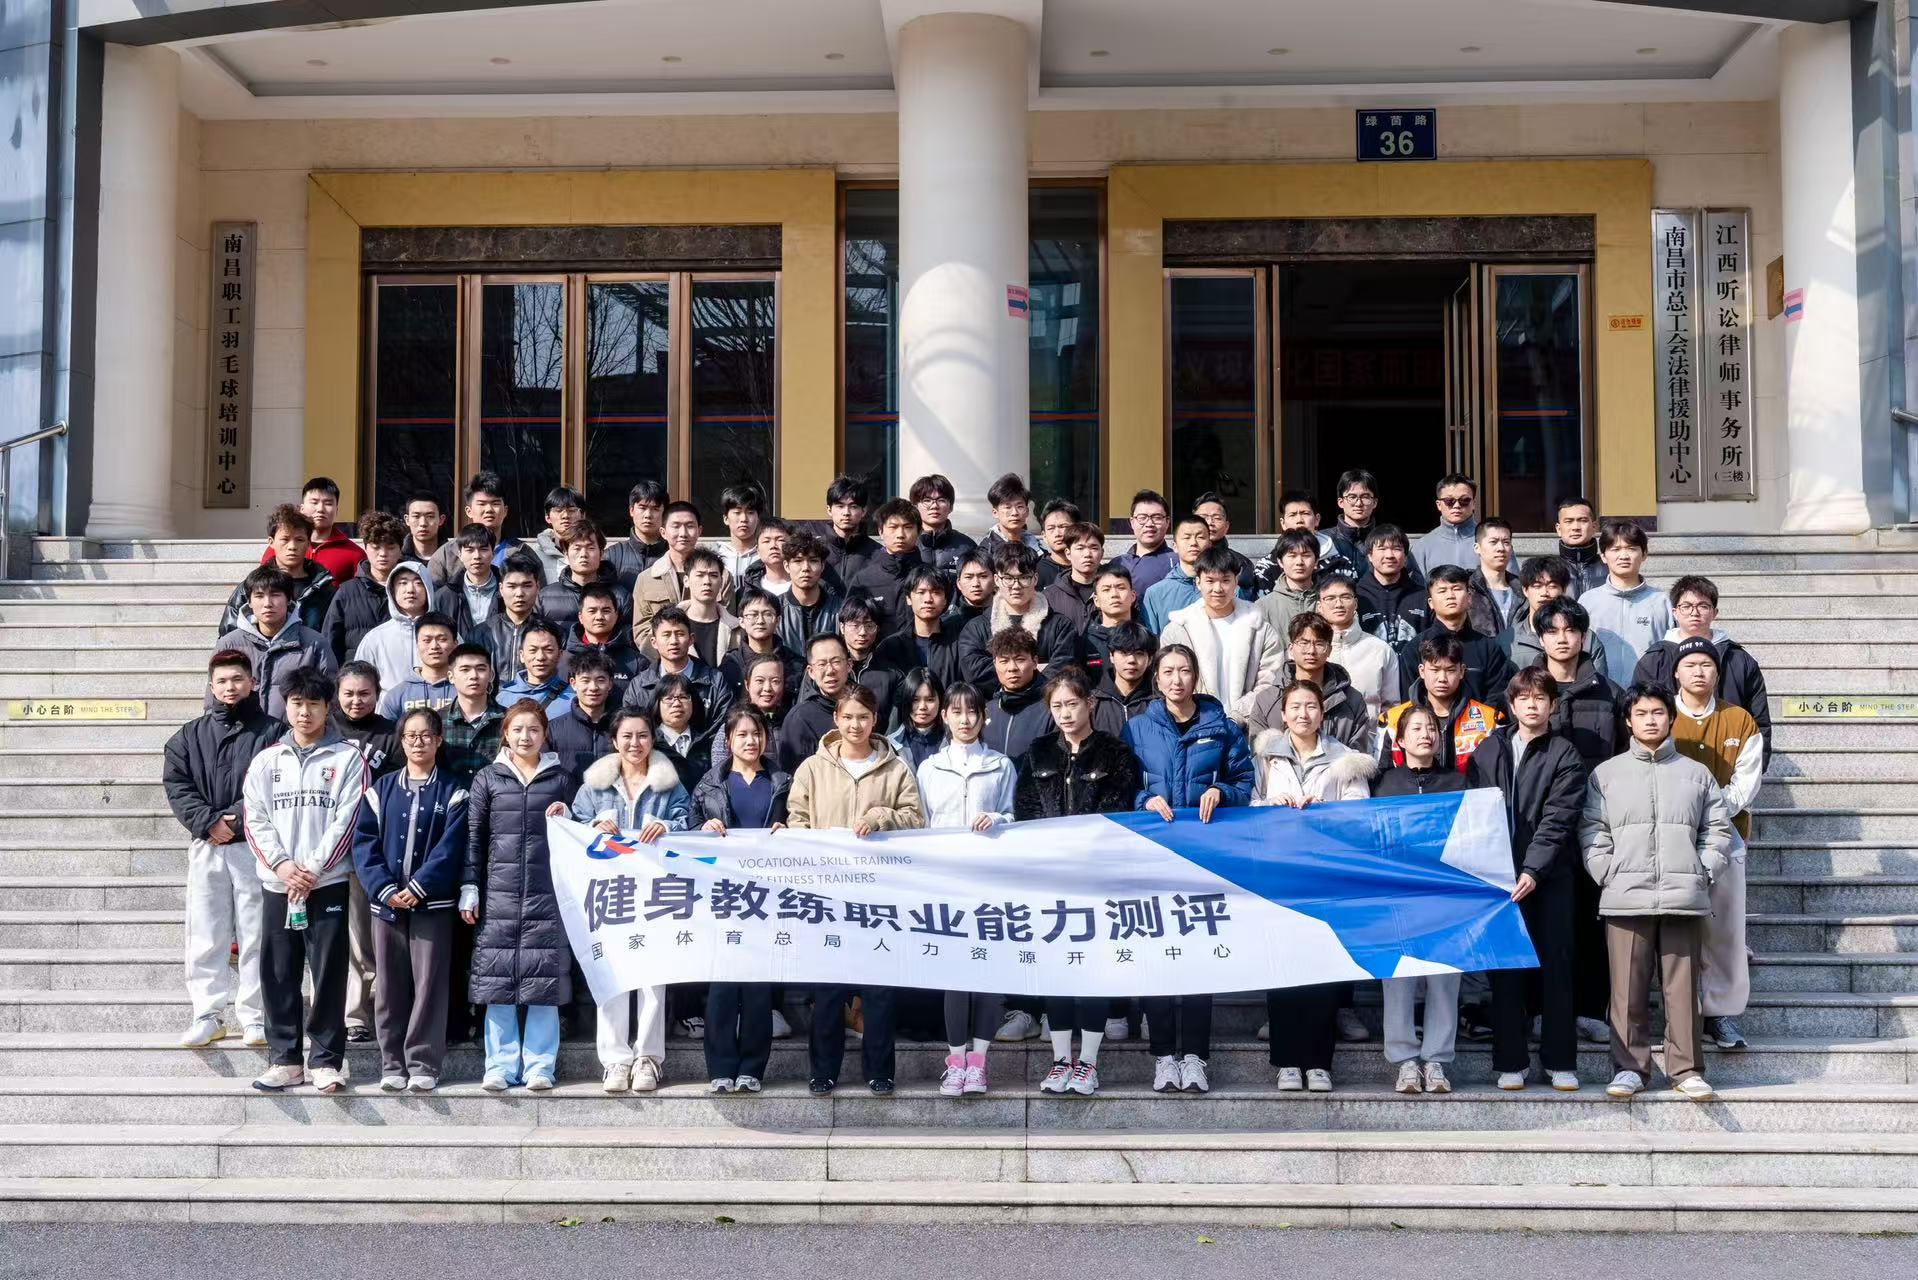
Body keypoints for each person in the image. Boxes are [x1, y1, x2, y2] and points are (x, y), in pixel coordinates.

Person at [1581, 683, 1734, 1101]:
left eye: (1658, 713)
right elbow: (1592, 831)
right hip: (1625, 895)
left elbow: (1718, 831)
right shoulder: (1606, 774)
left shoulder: (1696, 774)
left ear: (1671, 718)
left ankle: (1686, 1070)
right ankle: (1630, 1068)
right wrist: (1607, 872)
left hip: (1683, 895)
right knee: (1626, 990)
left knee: (1682, 991)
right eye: (1641, 713)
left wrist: (1703, 870)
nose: (1650, 720)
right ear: (1628, 721)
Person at [1127, 645, 1256, 1095]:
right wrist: (1145, 800)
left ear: (1196, 676)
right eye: (1168, 671)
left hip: (1205, 857)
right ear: (1157, 679)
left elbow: (1245, 781)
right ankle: (1164, 1056)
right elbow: (1124, 785)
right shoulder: (1138, 728)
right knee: (1158, 955)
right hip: (1153, 856)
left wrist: (1222, 791)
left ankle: (1196, 1057)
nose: (1177, 679)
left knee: (1199, 958)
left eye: (1184, 671)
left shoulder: (1221, 727)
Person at [787, 683, 925, 1096]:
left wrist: (881, 816)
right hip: (827, 894)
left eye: (863, 717)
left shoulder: (895, 768)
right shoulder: (813, 768)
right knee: (828, 989)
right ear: (836, 719)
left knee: (878, 988)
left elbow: (915, 818)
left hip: (878, 896)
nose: (855, 725)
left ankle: (880, 1070)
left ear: (875, 720)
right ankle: (823, 1070)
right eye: (848, 717)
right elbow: (797, 819)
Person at [1006, 667, 1144, 1077]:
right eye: (1057, 706)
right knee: (1057, 972)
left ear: (1090, 703)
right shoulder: (1037, 752)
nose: (1065, 713)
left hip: (1096, 881)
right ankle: (1061, 1059)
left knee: (1093, 971)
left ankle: (1089, 1062)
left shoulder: (1115, 753)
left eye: (1072, 704)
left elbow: (1116, 813)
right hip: (1050, 880)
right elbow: (1026, 811)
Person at [242, 670, 370, 1093]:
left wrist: (313, 869)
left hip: (327, 882)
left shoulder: (348, 758)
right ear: (286, 706)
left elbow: (348, 819)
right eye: (297, 703)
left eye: (313, 704)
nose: (304, 712)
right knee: (278, 971)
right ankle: (285, 1059)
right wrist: (282, 867)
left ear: (327, 707)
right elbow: (255, 818)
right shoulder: (267, 761)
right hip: (279, 884)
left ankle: (327, 1060)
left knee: (329, 971)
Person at [1250, 678, 1376, 1093]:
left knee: (1324, 968)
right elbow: (1247, 803)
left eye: (1311, 707)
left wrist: (1326, 811)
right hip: (1280, 874)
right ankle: (1287, 1061)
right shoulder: (1265, 756)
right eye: (1295, 707)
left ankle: (1319, 1062)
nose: (1303, 714)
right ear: (1283, 715)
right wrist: (1271, 805)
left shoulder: (1344, 759)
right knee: (1282, 967)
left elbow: (1359, 810)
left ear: (1323, 714)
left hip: (1326, 874)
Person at [1466, 669, 1587, 1092]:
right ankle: (1510, 1061)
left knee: (1557, 967)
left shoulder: (1564, 753)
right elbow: (1475, 812)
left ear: (1553, 705)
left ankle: (1560, 1061)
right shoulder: (1488, 750)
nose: (1532, 705)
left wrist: (1534, 869)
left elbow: (1559, 819)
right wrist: (1493, 869)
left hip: (1551, 877)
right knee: (1507, 970)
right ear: (1511, 704)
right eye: (1524, 698)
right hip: (1500, 878)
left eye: (1540, 698)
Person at [165, 650, 285, 1049]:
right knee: (205, 932)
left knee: (257, 934)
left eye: (237, 679)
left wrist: (232, 820)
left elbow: (276, 783)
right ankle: (206, 1014)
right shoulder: (188, 736)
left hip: (255, 845)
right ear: (211, 686)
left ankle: (255, 1016)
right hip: (206, 845)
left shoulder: (275, 733)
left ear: (253, 683)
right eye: (222, 681)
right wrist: (206, 822)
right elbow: (177, 785)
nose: (230, 687)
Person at [571, 708, 692, 1093]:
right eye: (627, 736)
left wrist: (668, 826)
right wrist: (593, 826)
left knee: (653, 977)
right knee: (613, 975)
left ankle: (647, 1059)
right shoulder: (594, 786)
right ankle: (615, 1060)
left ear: (652, 740)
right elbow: (574, 826)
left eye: (642, 735)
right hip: (611, 894)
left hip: (656, 894)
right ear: (614, 740)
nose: (635, 743)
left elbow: (688, 822)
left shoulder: (669, 784)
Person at [460, 699, 576, 1092]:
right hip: (499, 894)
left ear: (545, 734)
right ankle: (499, 1065)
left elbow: (581, 832)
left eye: (534, 729)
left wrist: (569, 817)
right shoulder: (488, 778)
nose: (525, 737)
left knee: (544, 979)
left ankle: (541, 1065)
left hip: (548, 893)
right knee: (498, 979)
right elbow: (474, 837)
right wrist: (470, 887)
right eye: (518, 729)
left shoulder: (561, 779)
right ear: (505, 733)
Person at [350, 707, 467, 1093]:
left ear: (438, 740)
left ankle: (423, 1063)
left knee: (430, 983)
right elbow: (364, 844)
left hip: (432, 906)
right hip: (387, 906)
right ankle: (392, 1063)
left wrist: (419, 887)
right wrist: (384, 888)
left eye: (426, 735)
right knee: (389, 983)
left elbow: (451, 848)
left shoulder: (454, 790)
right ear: (401, 741)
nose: (418, 742)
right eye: (411, 736)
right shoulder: (380, 789)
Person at [916, 681, 1018, 1096]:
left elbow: (1014, 815)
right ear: (944, 716)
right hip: (946, 884)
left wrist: (997, 819)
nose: (965, 719)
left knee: (988, 972)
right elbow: (922, 825)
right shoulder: (929, 768)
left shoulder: (1001, 765)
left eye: (972, 711)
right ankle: (956, 1061)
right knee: (955, 975)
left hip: (990, 883)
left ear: (984, 717)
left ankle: (979, 1063)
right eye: (956, 712)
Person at [1530, 597, 1621, 1045]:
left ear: (1584, 637)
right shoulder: (1526, 690)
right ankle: (1538, 1010)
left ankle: (1589, 1009)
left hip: (1593, 823)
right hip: (1540, 823)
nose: (1562, 639)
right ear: (1540, 637)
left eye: (1571, 630)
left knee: (1591, 918)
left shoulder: (1609, 693)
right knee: (1539, 921)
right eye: (1553, 631)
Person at [1666, 636, 1763, 1052]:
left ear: (1718, 672)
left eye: (1706, 665)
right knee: (1672, 927)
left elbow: (1747, 781)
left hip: (1727, 835)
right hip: (1669, 834)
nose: (1699, 672)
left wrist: (1710, 808)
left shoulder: (1739, 719)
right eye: (1690, 665)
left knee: (1723, 928)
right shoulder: (1660, 713)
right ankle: (1674, 1013)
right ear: (1676, 673)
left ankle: (1719, 1013)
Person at [692, 706, 792, 1091]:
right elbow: (687, 828)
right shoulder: (710, 784)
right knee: (722, 987)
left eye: (757, 734)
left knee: (757, 988)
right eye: (742, 735)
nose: (751, 741)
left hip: (767, 898)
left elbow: (802, 822)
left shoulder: (782, 781)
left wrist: (790, 829)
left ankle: (752, 1068)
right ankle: (720, 1068)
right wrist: (703, 828)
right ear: (729, 740)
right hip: (722, 896)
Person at [1372, 705, 1467, 1093]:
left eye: (1431, 728)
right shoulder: (1383, 784)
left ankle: (1438, 1060)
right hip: (1397, 895)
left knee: (1444, 979)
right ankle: (1405, 1061)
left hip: (1445, 896)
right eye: (1416, 728)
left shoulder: (1458, 782)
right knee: (1398, 978)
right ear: (1400, 739)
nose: (1426, 734)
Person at [1632, 575, 1773, 768]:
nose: (1694, 612)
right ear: (1675, 612)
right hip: (1668, 766)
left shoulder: (1739, 659)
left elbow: (1759, 720)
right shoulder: (1654, 660)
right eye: (1686, 606)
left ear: (1715, 613)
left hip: (1729, 764)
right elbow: (1638, 715)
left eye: (1703, 606)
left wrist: (1754, 768)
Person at [331, 659, 399, 1044]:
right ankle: (339, 1010)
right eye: (349, 694)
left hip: (368, 848)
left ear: (377, 694)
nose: (356, 701)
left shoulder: (391, 735)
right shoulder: (325, 730)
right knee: (332, 937)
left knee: (363, 938)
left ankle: (361, 1012)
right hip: (325, 849)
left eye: (364, 694)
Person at [1159, 543, 1283, 725]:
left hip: (1248, 726)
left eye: (1225, 580)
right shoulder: (1178, 630)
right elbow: (1171, 680)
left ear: (1236, 581)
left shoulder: (1260, 628)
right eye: (1210, 581)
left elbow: (1270, 681)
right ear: (1198, 582)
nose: (1218, 588)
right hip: (1193, 725)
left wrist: (1237, 716)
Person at [213, 566, 337, 719]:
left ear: (289, 599)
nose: (267, 603)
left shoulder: (315, 644)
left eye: (275, 595)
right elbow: (214, 703)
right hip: (241, 731)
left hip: (296, 732)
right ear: (249, 601)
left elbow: (331, 698)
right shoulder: (228, 644)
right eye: (259, 596)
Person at [957, 543, 1078, 693]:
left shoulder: (1060, 626)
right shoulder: (976, 628)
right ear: (997, 580)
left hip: (1045, 704)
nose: (1016, 586)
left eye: (1024, 577)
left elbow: (1064, 668)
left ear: (1035, 579)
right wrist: (1033, 669)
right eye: (1008, 578)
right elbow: (974, 672)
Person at [1379, 634, 1502, 773]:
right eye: (1435, 670)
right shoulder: (1393, 721)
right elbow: (1383, 776)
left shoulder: (1489, 720)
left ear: (1462, 671)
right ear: (1422, 671)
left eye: (1450, 670)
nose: (1442, 678)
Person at [1245, 614, 1369, 751]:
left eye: (1319, 644)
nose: (1311, 651)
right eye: (1303, 643)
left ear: (1329, 650)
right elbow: (1259, 755)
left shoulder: (1351, 700)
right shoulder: (1266, 701)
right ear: (1291, 649)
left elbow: (1358, 755)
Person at [1398, 565, 1516, 707]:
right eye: (1442, 591)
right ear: (1431, 603)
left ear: (1469, 597)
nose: (1450, 596)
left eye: (1457, 589)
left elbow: (1497, 698)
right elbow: (1410, 700)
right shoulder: (1414, 649)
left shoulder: (1489, 649)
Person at [1579, 519, 1674, 679]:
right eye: (1615, 549)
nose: (1623, 556)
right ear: (1603, 556)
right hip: (1599, 689)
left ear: (1644, 554)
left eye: (1631, 549)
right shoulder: (1588, 601)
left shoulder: (1662, 601)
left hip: (1649, 690)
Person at [624, 607, 735, 744]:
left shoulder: (715, 681)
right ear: (654, 642)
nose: (674, 641)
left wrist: (695, 749)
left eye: (680, 634)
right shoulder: (639, 686)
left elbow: (723, 727)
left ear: (691, 639)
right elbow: (631, 728)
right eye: (666, 635)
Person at [221, 504, 336, 636]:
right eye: (285, 539)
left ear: (308, 544)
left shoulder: (323, 588)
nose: (292, 546)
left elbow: (334, 634)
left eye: (299, 540)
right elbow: (228, 634)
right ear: (271, 542)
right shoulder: (252, 586)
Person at [632, 501, 730, 654]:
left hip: (712, 658)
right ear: (663, 532)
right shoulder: (646, 579)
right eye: (676, 526)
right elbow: (642, 632)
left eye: (690, 526)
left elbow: (728, 623)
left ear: (699, 531)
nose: (683, 533)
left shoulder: (721, 575)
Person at [321, 510, 406, 664]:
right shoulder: (346, 592)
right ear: (365, 548)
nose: (383, 553)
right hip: (355, 674)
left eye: (390, 547)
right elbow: (330, 643)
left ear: (400, 549)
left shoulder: (411, 590)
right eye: (376, 547)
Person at [1316, 576, 1398, 725]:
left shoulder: (1380, 649)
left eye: (1345, 597)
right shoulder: (1309, 650)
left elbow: (1392, 707)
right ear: (1319, 606)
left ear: (1356, 603)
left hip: (1370, 735)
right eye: (1330, 598)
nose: (1338, 604)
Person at [1508, 555, 1608, 676]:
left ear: (1564, 589)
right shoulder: (1508, 640)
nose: (1544, 593)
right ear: (1525, 590)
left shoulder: (1587, 638)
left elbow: (1598, 683)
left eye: (1552, 586)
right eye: (1537, 586)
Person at [872, 566, 964, 689]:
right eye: (921, 592)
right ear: (908, 598)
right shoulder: (890, 647)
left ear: (945, 600)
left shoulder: (959, 644)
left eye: (936, 592)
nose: (928, 599)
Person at [261, 476, 364, 587]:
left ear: (336, 510)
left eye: (328, 503)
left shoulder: (354, 554)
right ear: (302, 508)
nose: (320, 509)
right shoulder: (277, 550)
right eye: (314, 502)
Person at [428, 472, 526, 588]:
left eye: (495, 503)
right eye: (482, 504)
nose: (489, 509)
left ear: (505, 511)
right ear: (469, 511)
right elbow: (433, 595)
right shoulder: (447, 554)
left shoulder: (522, 552)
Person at [353, 560, 433, 693]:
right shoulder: (376, 637)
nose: (410, 590)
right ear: (392, 590)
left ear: (428, 589)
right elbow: (359, 682)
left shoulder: (445, 634)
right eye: (403, 583)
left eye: (418, 583)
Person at [538, 519, 629, 632]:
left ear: (601, 553)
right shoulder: (545, 597)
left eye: (590, 548)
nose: (583, 554)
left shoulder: (621, 597)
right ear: (566, 554)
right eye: (577, 548)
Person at [779, 633, 852, 772]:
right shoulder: (800, 718)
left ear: (849, 664)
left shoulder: (865, 706)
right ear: (811, 671)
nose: (830, 670)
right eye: (822, 664)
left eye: (836, 662)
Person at [981, 627, 1056, 761]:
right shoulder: (987, 711)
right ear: (995, 664)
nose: (1012, 668)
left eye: (1020, 659)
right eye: (1004, 661)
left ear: (1035, 662)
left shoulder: (1052, 708)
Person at [1355, 524, 1429, 658]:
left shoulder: (1422, 596)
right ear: (1369, 555)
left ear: (1405, 557)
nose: (1389, 555)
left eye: (1396, 549)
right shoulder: (1357, 596)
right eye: (1382, 548)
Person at [547, 650, 621, 783]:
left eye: (600, 680)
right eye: (585, 680)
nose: (593, 687)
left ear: (610, 683)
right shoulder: (553, 729)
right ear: (573, 683)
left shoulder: (623, 726)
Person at [560, 581, 642, 700]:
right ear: (580, 617)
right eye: (592, 611)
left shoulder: (636, 662)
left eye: (606, 611)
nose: (599, 617)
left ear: (616, 615)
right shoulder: (562, 661)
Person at [849, 498, 923, 627]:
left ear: (919, 531)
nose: (900, 534)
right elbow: (851, 622)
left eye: (908, 527)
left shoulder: (930, 577)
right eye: (893, 527)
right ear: (881, 531)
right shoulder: (864, 579)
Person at [439, 644, 505, 782]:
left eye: (481, 669)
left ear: (491, 675)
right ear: (451, 676)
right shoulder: (437, 721)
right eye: (465, 669)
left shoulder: (508, 720)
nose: (474, 676)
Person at [723, 586, 805, 697]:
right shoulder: (731, 663)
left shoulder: (796, 664)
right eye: (753, 615)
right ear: (741, 621)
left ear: (778, 621)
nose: (760, 621)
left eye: (767, 614)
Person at [473, 552, 544, 679]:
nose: (519, 593)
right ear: (501, 589)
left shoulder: (550, 633)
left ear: (537, 587)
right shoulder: (481, 633)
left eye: (527, 586)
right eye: (512, 586)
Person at [775, 531, 844, 655]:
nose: (805, 568)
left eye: (813, 561)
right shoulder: (774, 609)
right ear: (786, 566)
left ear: (822, 566)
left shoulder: (840, 609)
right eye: (798, 561)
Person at [1139, 513, 1211, 634]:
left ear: (1209, 544)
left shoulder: (1227, 589)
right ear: (1175, 546)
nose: (1193, 542)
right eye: (1186, 537)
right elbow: (1151, 640)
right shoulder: (1155, 593)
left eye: (1200, 537)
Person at [837, 597, 901, 728]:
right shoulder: (830, 669)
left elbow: (895, 722)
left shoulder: (891, 674)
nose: (862, 632)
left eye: (869, 625)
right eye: (855, 625)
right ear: (842, 627)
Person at [670, 547, 738, 670]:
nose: (707, 581)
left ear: (721, 582)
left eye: (713, 575)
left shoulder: (736, 628)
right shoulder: (668, 625)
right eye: (700, 575)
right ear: (686, 581)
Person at [1192, 491, 1261, 596]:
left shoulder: (1241, 564)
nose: (1210, 523)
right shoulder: (1182, 559)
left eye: (1217, 518)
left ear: (1227, 526)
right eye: (1203, 517)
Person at [1411, 473, 1480, 578]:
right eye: (1449, 501)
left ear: (1473, 504)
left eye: (1464, 500)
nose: (1457, 506)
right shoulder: (1422, 547)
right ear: (1439, 505)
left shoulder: (1492, 541)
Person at [1254, 530, 1321, 638]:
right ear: (1280, 562)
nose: (1299, 562)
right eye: (1292, 556)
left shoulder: (1328, 601)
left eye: (1306, 555)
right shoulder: (1262, 607)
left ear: (1316, 561)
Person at [1042, 521, 1107, 631]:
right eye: (1080, 548)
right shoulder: (1049, 596)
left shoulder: (1113, 593)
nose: (1087, 554)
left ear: (1102, 553)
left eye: (1094, 548)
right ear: (1068, 553)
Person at [1466, 516, 1523, 639]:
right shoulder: (1467, 589)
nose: (1501, 548)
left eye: (1506, 542)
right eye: (1493, 542)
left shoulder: (1524, 590)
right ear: (1477, 548)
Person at [496, 620, 570, 713]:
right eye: (533, 650)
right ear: (522, 655)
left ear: (559, 655)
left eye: (548, 650)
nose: (540, 657)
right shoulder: (503, 699)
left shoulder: (573, 699)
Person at [911, 473, 978, 575]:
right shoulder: (906, 544)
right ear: (915, 507)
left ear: (951, 507)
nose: (934, 506)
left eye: (941, 500)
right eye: (927, 500)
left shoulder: (967, 546)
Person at [606, 480, 670, 587]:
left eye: (655, 509)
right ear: (631, 510)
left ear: (664, 513)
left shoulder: (674, 554)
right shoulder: (612, 556)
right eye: (642, 508)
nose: (648, 515)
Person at [1113, 489, 1176, 594]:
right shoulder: (1117, 563)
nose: (1149, 524)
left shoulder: (1176, 562)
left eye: (1157, 518)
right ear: (1132, 522)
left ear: (1167, 522)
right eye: (1142, 518)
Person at [1082, 566, 1141, 678]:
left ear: (1133, 596)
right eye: (1106, 590)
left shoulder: (1146, 638)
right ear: (1096, 600)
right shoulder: (1084, 641)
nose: (1114, 594)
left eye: (1121, 588)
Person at [1095, 624, 1158, 726]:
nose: (1131, 660)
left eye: (1139, 653)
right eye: (1124, 653)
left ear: (1150, 659)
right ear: (1111, 656)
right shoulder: (1093, 702)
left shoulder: (1160, 701)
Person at [888, 667, 947, 772]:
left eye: (930, 700)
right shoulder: (891, 744)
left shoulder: (953, 740)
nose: (922, 707)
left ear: (941, 700)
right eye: (915, 700)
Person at [823, 473, 880, 578]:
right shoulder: (815, 550)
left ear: (863, 511)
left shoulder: (878, 553)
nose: (846, 513)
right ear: (829, 510)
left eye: (853, 506)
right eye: (840, 506)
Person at [528, 485, 585, 584]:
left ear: (583, 515)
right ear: (548, 517)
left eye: (572, 510)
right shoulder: (534, 555)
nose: (565, 516)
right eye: (558, 510)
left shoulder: (590, 552)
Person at [1326, 468, 1380, 575]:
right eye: (1352, 497)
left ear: (1374, 502)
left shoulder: (1386, 540)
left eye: (1365, 497)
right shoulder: (1324, 540)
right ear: (1340, 502)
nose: (1358, 503)